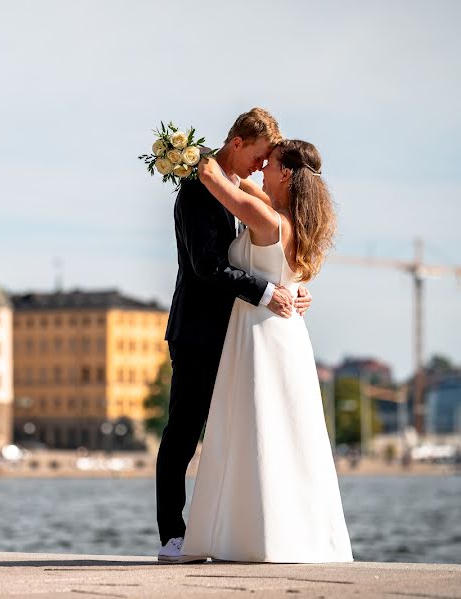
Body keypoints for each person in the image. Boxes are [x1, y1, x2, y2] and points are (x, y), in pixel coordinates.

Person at [181, 139, 352, 563]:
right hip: (288, 336)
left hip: (259, 333)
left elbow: (212, 178)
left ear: (287, 174)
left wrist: (185, 150)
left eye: (269, 164)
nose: (261, 171)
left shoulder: (264, 217)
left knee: (253, 428)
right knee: (287, 433)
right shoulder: (295, 222)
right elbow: (246, 189)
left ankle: (248, 534)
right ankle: (294, 534)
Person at [156, 108, 313, 563]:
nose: (261, 168)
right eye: (259, 157)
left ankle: (226, 531)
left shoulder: (235, 189)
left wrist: (296, 287)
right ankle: (172, 534)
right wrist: (268, 293)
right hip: (199, 333)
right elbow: (207, 268)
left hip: (242, 337)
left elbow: (275, 247)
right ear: (239, 143)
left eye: (269, 162)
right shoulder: (196, 192)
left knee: (234, 436)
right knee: (183, 433)